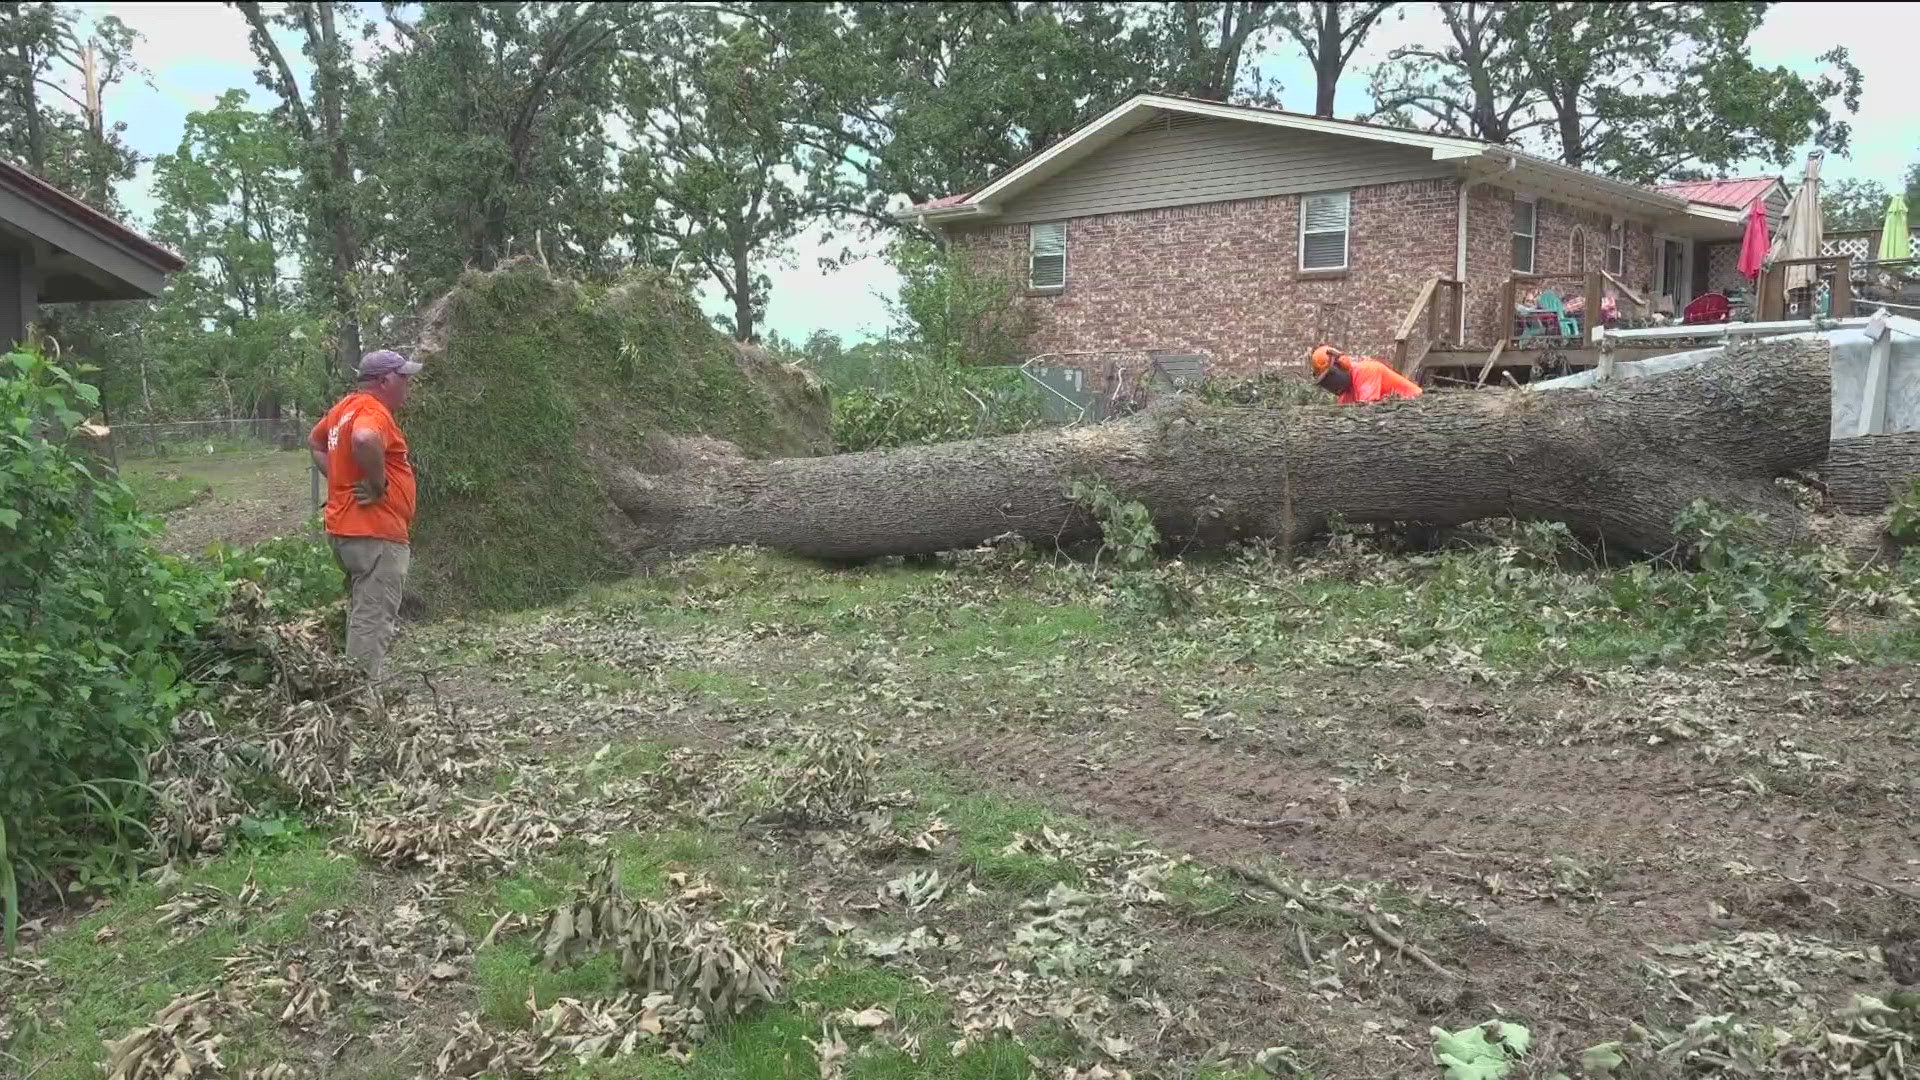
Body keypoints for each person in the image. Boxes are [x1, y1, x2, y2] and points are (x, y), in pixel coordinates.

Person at [309, 349, 422, 684]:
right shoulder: (372, 411)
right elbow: (364, 438)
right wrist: (378, 484)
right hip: (375, 534)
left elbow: (314, 443)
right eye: (403, 378)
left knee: (363, 612)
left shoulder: (342, 410)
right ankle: (357, 701)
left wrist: (339, 481)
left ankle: (351, 686)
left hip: (347, 531)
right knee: (372, 621)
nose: (407, 385)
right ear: (385, 381)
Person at [1308, 344, 1422, 404]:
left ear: (1341, 364)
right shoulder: (1346, 395)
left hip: (1415, 407)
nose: (1332, 384)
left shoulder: (1367, 371)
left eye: (1330, 377)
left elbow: (1367, 412)